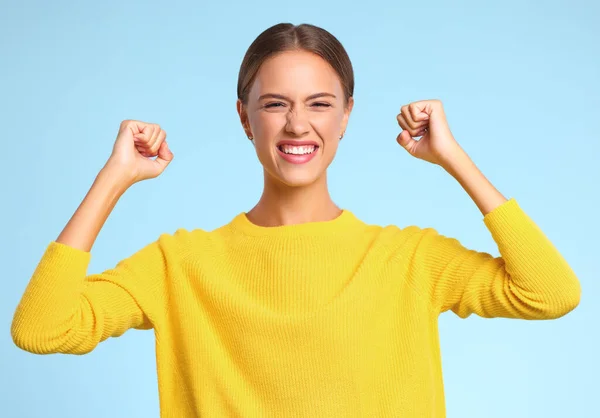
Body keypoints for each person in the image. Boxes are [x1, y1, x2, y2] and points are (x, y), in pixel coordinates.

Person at [11, 22, 581, 417]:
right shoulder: (181, 265)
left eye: (320, 103)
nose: (297, 125)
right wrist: (114, 178)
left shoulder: (409, 260)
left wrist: (454, 158)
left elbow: (550, 293)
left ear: (347, 116)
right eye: (275, 103)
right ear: (244, 118)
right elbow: (42, 328)